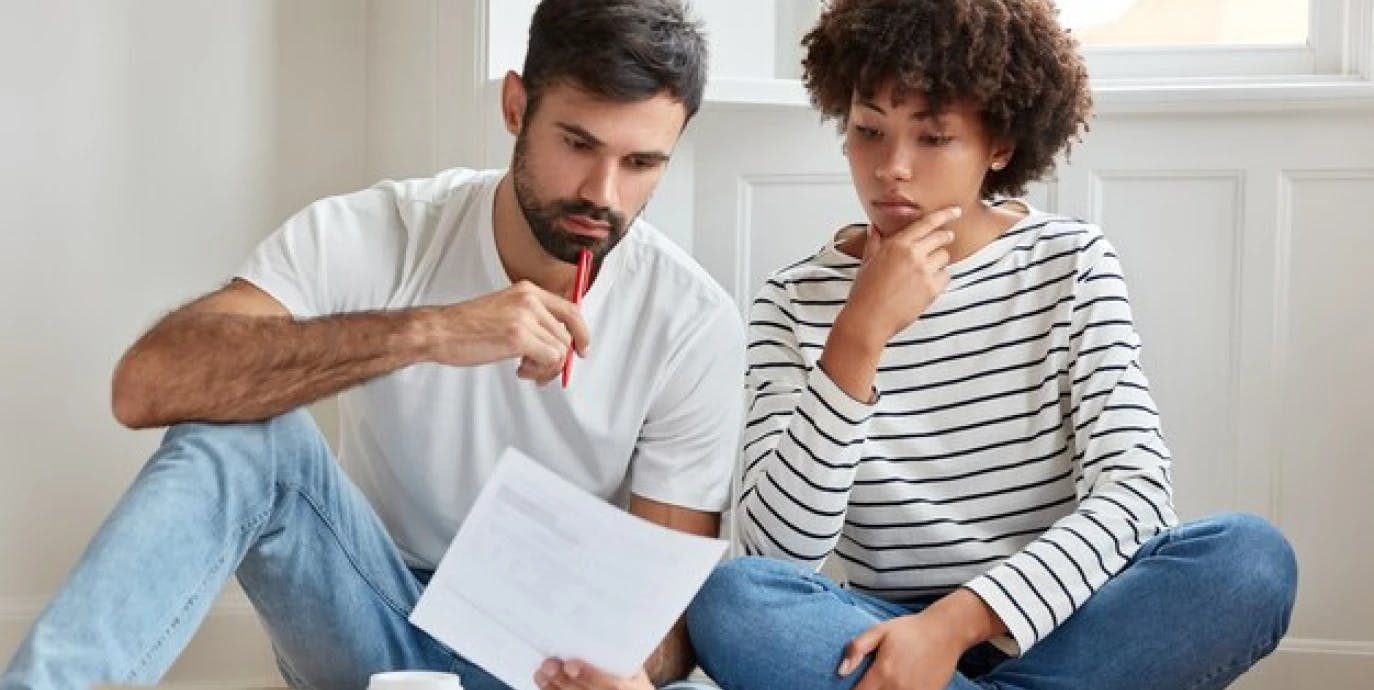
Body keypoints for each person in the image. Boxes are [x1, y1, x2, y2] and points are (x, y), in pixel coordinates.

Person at [2, 2, 742, 689]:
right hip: (367, 612)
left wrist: (631, 671)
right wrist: (432, 330)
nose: (603, 194)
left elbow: (668, 615)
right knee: (249, 438)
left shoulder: (690, 320)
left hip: (538, 660)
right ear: (516, 107)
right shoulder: (380, 230)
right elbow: (149, 383)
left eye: (641, 163)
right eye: (578, 143)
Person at [684, 1, 1297, 689]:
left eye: (933, 138)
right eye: (868, 130)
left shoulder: (1071, 264)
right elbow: (779, 556)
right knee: (730, 601)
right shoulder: (793, 301)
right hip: (881, 628)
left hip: (1063, 621)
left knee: (1249, 560)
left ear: (999, 145)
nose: (891, 168)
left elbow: (1136, 494)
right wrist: (857, 338)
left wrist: (950, 628)